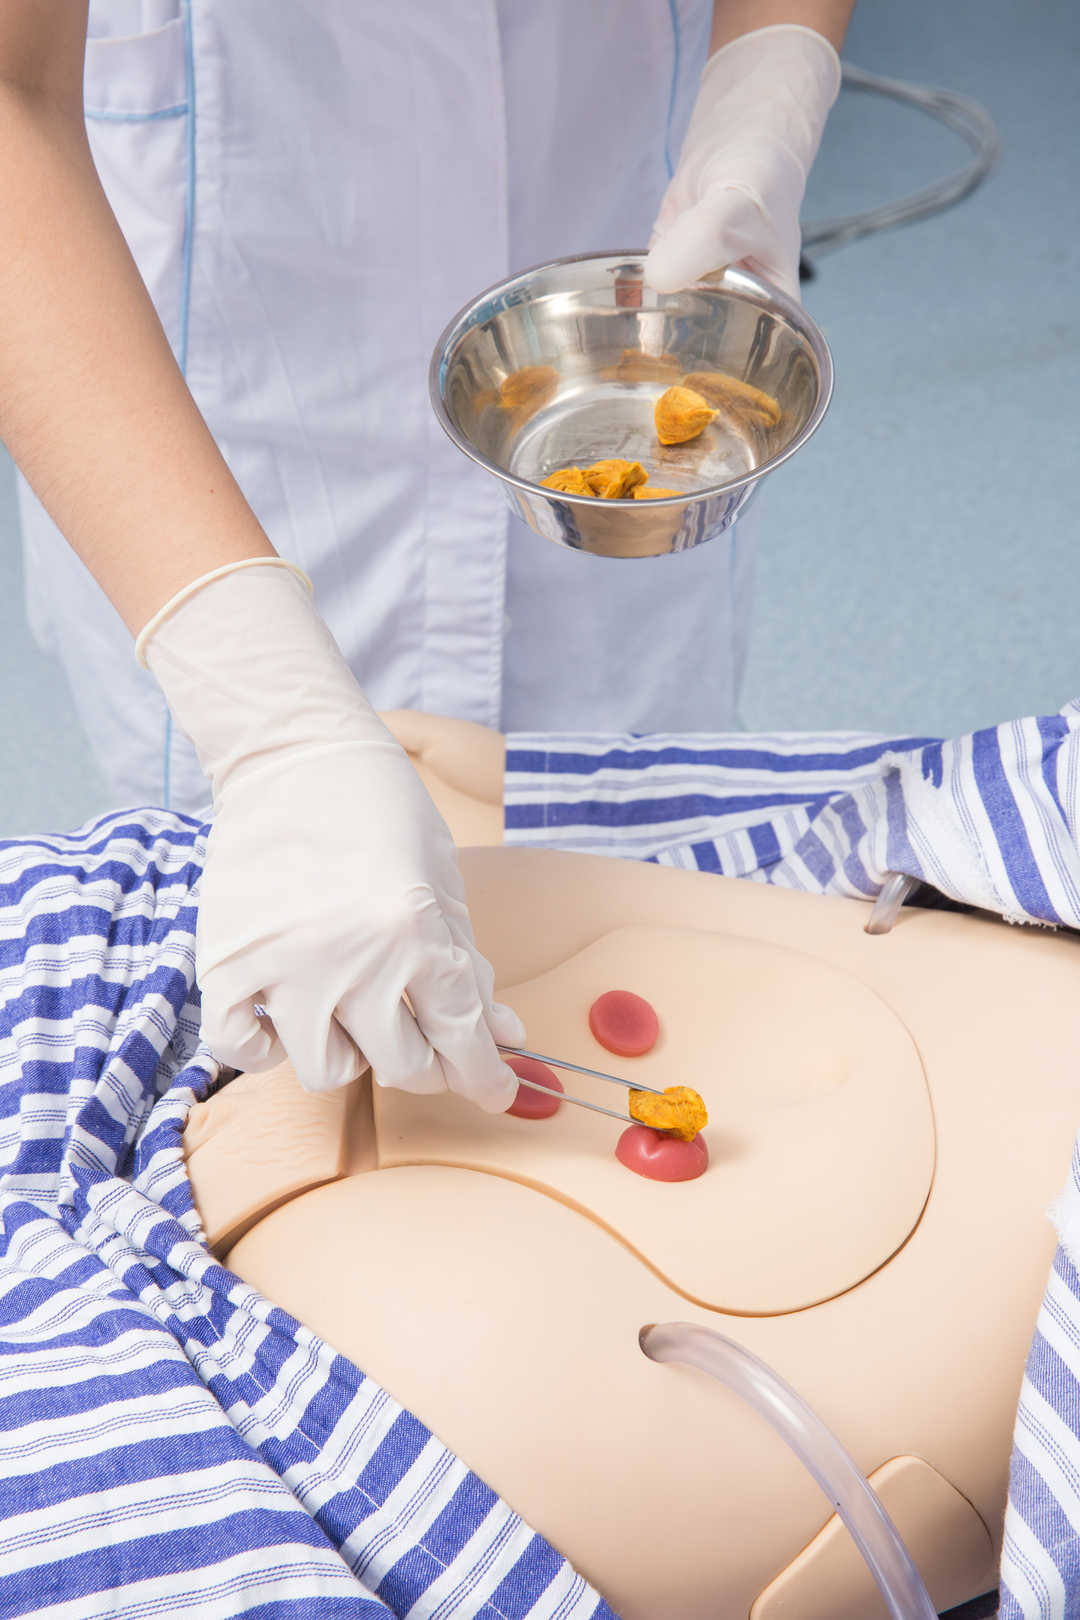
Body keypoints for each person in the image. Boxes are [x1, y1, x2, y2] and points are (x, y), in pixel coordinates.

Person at [0, 1, 851, 1107]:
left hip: (611, 290)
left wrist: (771, 75)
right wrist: (273, 726)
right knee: (293, 1029)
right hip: (214, 422)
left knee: (649, 895)